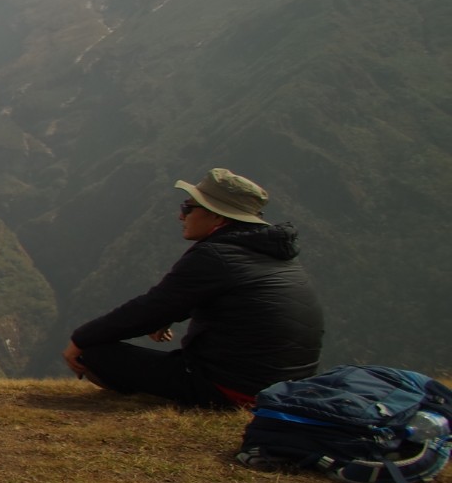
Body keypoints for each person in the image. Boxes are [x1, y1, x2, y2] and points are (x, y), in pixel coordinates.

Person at [62, 168, 324, 408]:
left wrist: (81, 338)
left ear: (217, 216)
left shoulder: (215, 255)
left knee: (94, 353)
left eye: (188, 207)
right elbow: (228, 296)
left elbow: (151, 308)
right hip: (285, 387)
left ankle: (157, 400)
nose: (181, 215)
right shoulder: (273, 253)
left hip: (234, 389)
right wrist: (166, 317)